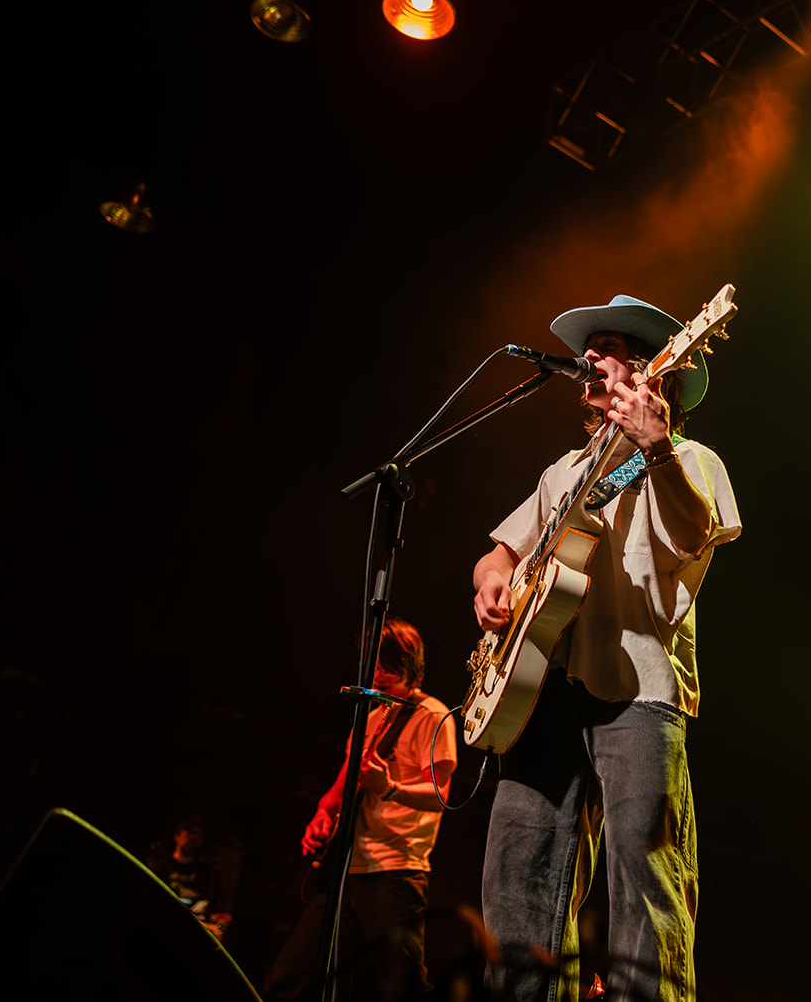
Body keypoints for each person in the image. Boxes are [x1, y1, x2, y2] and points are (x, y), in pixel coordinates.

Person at [472, 294, 741, 1002]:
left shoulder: (690, 459)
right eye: (587, 348)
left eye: (609, 346)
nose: (588, 356)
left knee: (643, 880)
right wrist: (492, 582)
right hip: (542, 689)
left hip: (640, 691)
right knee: (516, 883)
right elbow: (499, 554)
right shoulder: (563, 472)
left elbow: (693, 533)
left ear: (653, 369)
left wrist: (655, 447)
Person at [262, 619, 458, 1002]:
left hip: (395, 873)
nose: (378, 671)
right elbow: (339, 790)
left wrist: (389, 787)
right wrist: (322, 814)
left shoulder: (431, 715)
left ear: (408, 663)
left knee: (401, 990)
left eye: (388, 663)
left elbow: (440, 796)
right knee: (285, 981)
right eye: (374, 662)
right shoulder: (368, 718)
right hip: (346, 871)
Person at [145, 814, 232, 936]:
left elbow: (210, 905)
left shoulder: (207, 872)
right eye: (190, 832)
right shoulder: (159, 866)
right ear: (177, 836)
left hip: (191, 931)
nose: (194, 837)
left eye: (198, 834)